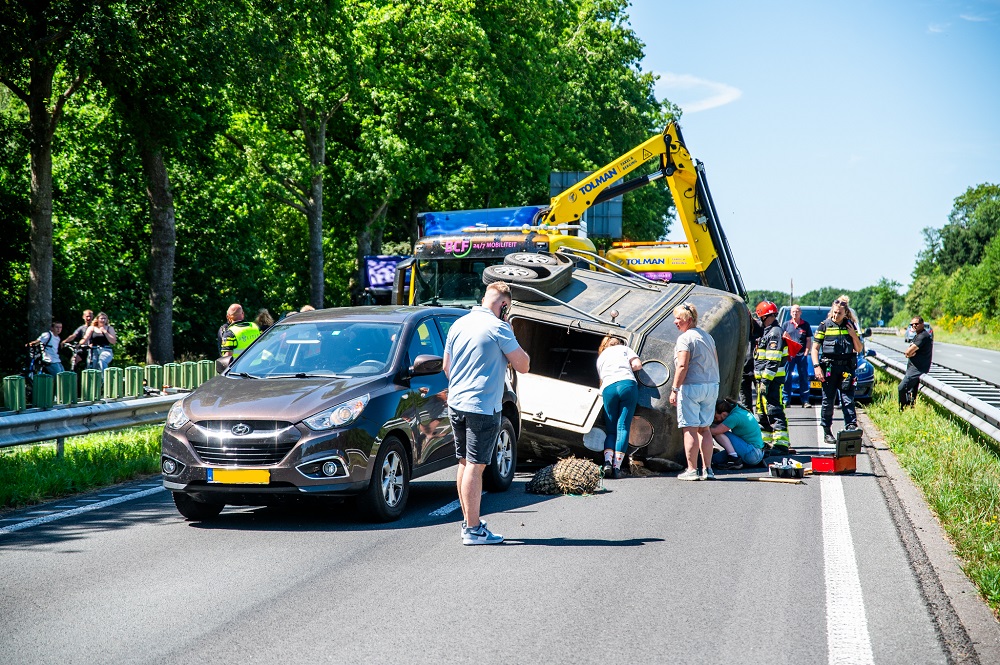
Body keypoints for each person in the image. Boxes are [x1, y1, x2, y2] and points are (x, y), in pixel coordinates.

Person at [443, 281, 530, 545]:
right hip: (482, 406)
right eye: (507, 308)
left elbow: (446, 367)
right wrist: (511, 331)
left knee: (464, 462)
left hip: (456, 402)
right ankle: (473, 530)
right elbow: (524, 365)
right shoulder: (499, 327)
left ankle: (468, 523)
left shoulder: (459, 324)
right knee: (476, 465)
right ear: (504, 305)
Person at [669, 302, 720, 481]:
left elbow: (682, 365)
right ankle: (708, 470)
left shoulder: (685, 338)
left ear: (689, 320)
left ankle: (692, 470)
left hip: (691, 386)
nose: (675, 322)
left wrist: (675, 389)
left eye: (679, 319)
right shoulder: (708, 337)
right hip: (711, 385)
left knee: (689, 428)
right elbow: (715, 361)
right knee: (704, 429)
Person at [812, 295, 864, 444]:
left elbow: (859, 349)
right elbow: (814, 349)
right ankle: (827, 432)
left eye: (839, 313)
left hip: (847, 369)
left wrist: (853, 335)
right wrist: (817, 367)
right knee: (828, 401)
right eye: (834, 312)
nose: (836, 315)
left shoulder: (851, 326)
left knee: (848, 399)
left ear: (845, 313)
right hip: (829, 368)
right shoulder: (824, 326)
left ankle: (851, 427)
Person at [596, 333, 643, 479]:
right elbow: (637, 365)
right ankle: (617, 468)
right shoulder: (625, 349)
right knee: (622, 427)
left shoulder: (600, 358)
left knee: (611, 430)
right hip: (627, 385)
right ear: (619, 343)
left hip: (608, 388)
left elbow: (601, 380)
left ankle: (607, 462)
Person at [754, 301, 792, 455]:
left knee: (774, 411)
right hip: (764, 381)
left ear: (764, 316)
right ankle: (766, 442)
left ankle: (781, 445)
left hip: (772, 381)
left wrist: (765, 381)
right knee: (763, 412)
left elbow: (773, 360)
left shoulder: (775, 333)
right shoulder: (768, 332)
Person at [711, 397, 766, 470]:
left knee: (717, 432)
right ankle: (749, 461)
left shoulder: (734, 417)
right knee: (715, 460)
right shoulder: (739, 411)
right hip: (756, 452)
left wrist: (700, 427)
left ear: (723, 414)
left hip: (751, 453)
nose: (715, 420)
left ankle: (734, 459)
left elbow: (715, 431)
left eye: (715, 417)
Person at [898, 316, 933, 410]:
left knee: (902, 388)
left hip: (917, 369)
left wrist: (909, 353)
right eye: (912, 324)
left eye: (916, 324)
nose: (914, 326)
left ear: (922, 324)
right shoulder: (918, 335)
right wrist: (909, 353)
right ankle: (909, 408)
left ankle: (902, 409)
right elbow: (909, 352)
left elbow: (908, 352)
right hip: (914, 368)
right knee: (912, 391)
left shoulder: (922, 336)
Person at [782, 304, 813, 407]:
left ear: (800, 312)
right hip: (789, 355)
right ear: (791, 313)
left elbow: (808, 340)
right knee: (787, 377)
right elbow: (782, 339)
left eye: (797, 311)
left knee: (803, 377)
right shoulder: (786, 325)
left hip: (801, 355)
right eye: (793, 311)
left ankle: (805, 400)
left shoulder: (806, 325)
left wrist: (807, 351)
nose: (795, 313)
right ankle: (786, 400)